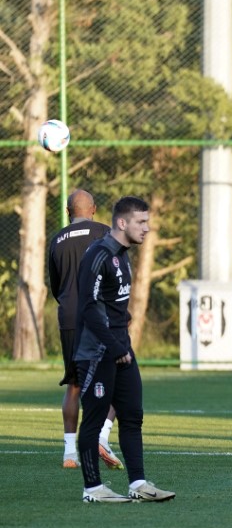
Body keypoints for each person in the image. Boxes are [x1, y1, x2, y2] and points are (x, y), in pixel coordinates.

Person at [75, 196, 175, 503]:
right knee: (93, 419)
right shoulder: (99, 254)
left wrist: (124, 330)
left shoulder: (123, 255)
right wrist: (115, 345)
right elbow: (89, 308)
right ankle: (93, 489)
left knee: (132, 415)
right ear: (122, 223)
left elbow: (112, 303)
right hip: (97, 352)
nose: (147, 228)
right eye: (141, 222)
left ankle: (139, 483)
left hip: (121, 348)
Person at [47, 189, 122, 470]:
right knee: (117, 380)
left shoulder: (57, 240)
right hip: (101, 316)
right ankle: (101, 436)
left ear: (68, 212)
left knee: (74, 385)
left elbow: (56, 286)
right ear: (93, 209)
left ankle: (69, 453)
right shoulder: (106, 233)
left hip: (69, 317)